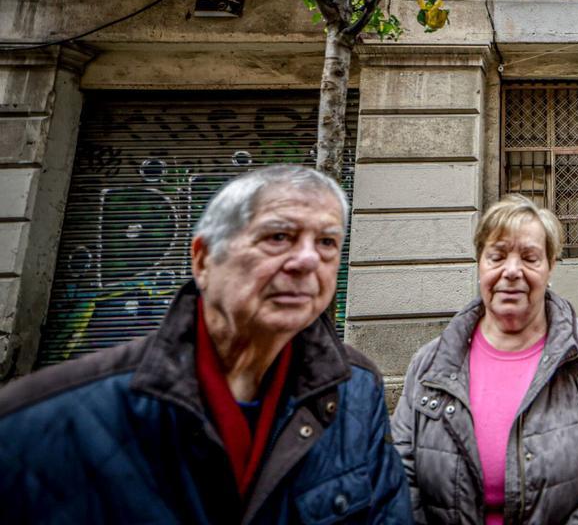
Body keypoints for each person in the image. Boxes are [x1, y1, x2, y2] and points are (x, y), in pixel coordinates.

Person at [0, 164, 411, 524]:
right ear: (203, 259)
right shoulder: (42, 422)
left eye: (326, 243)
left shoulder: (355, 389)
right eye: (279, 236)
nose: (307, 260)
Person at [391, 194, 578, 524]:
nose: (512, 271)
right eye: (496, 256)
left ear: (551, 265)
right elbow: (398, 482)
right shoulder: (429, 364)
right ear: (480, 264)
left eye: (530, 257)